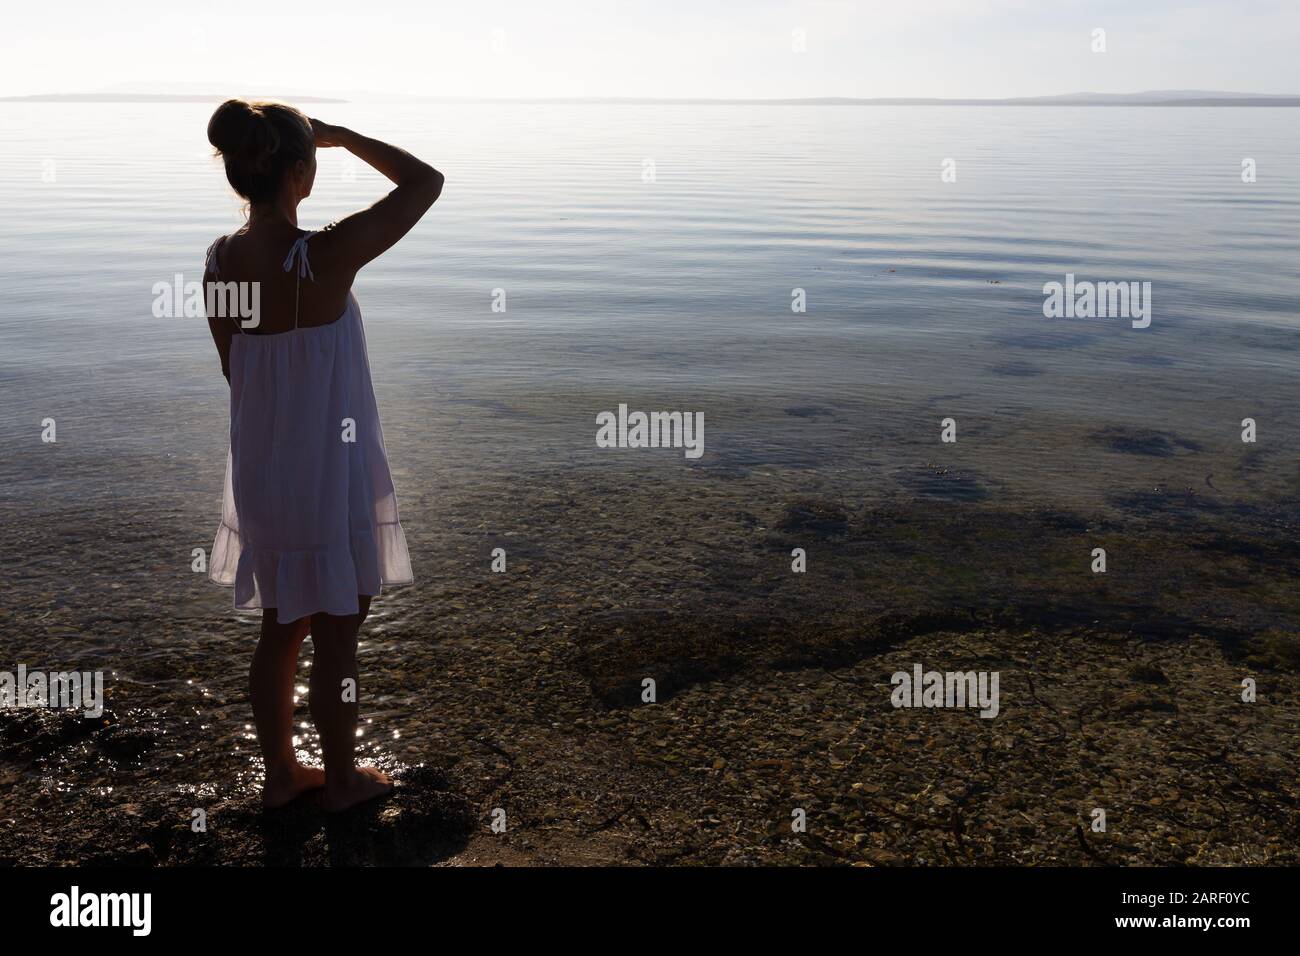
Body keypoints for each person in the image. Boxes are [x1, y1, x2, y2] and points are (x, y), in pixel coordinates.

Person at [202, 99, 443, 810]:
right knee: (341, 622)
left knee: (283, 623)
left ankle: (281, 776)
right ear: (302, 172)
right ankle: (340, 780)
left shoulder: (220, 262)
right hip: (327, 466)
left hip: (262, 467)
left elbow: (235, 370)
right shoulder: (325, 255)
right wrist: (346, 136)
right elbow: (424, 182)